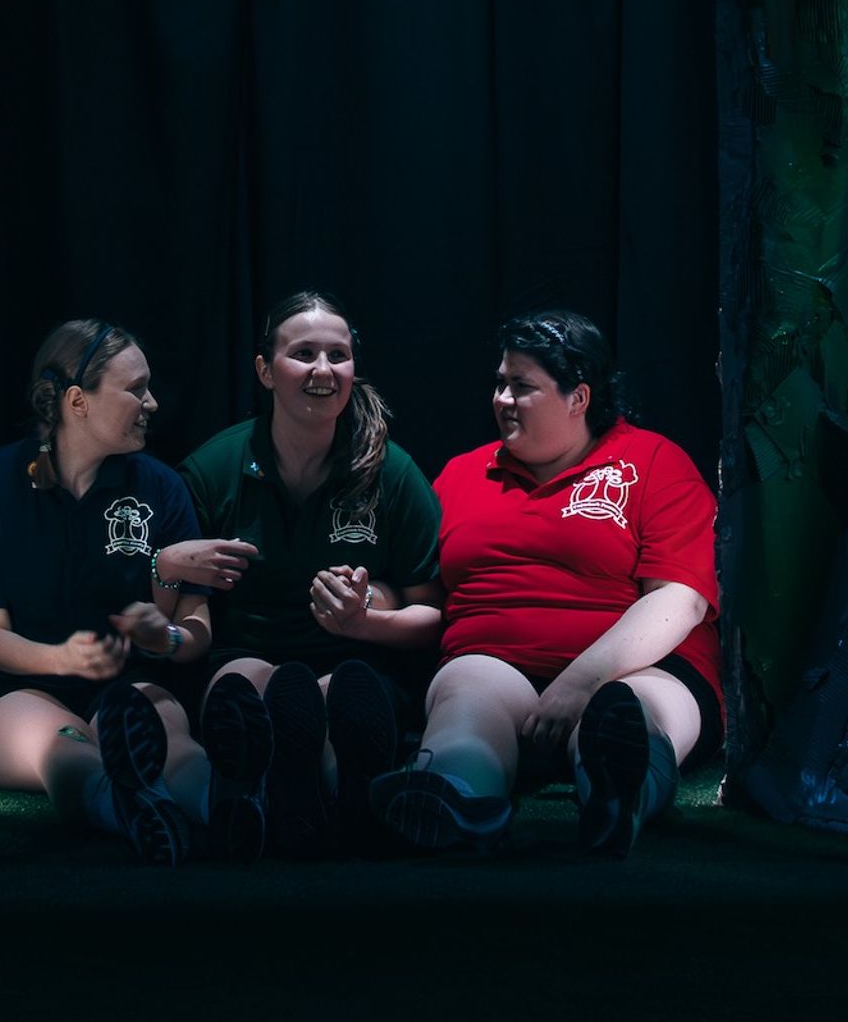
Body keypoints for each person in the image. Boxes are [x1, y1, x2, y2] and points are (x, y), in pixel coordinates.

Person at [371, 310, 721, 858]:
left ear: (578, 398)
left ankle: (619, 793)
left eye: (522, 387)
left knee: (627, 710)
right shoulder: (461, 475)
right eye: (501, 383)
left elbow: (679, 597)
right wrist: (365, 603)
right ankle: (451, 794)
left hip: (635, 666)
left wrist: (581, 683)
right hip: (496, 662)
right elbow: (421, 592)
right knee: (469, 692)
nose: (502, 399)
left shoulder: (654, 462)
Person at [172, 291, 445, 856]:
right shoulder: (211, 469)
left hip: (357, 662)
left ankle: (319, 790)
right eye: (303, 354)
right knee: (249, 682)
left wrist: (362, 622)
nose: (323, 370)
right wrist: (168, 565)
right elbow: (179, 605)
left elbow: (429, 615)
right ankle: (318, 792)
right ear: (265, 370)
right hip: (242, 652)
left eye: (337, 355)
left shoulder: (392, 471)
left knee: (335, 691)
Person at [0, 318, 221, 863]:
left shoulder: (160, 486)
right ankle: (125, 807)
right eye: (135, 389)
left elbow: (197, 626)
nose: (152, 403)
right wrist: (62, 658)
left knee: (169, 741)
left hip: (133, 685)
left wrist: (169, 639)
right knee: (61, 749)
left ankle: (226, 805)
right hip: (27, 690)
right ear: (76, 402)